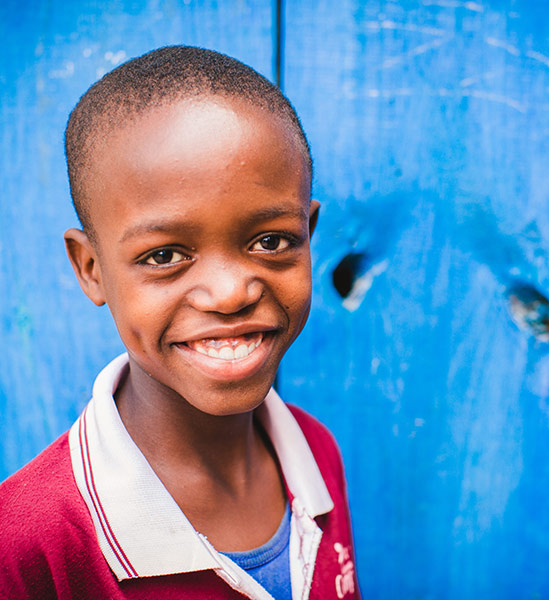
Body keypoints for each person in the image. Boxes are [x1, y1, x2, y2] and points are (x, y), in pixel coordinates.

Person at [0, 46, 359, 600]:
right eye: (165, 255)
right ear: (90, 268)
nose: (230, 292)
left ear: (308, 233)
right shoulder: (27, 542)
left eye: (271, 241)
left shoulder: (316, 454)